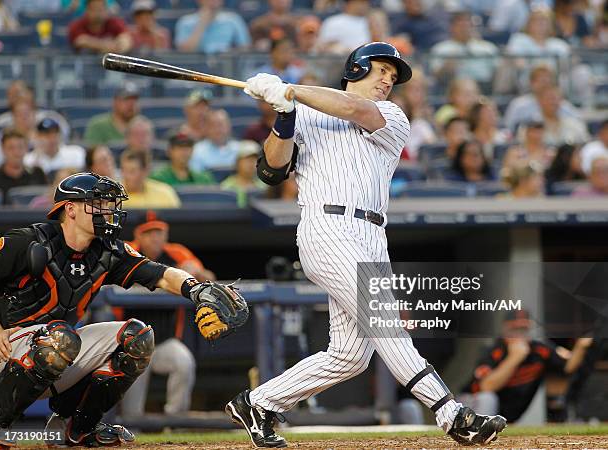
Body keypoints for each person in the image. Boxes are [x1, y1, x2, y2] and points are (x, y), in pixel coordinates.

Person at [227, 41, 507, 448]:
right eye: (380, 72)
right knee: (384, 322)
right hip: (328, 227)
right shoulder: (302, 110)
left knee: (350, 357)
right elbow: (271, 171)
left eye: (392, 79)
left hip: (373, 235)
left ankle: (258, 402)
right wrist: (284, 116)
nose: (386, 82)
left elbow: (353, 110)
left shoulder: (392, 116)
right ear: (356, 69)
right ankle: (451, 413)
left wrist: (290, 90)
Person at [0, 172, 247, 447]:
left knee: (136, 337)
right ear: (70, 209)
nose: (108, 211)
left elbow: (161, 274)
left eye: (109, 204)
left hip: (53, 349)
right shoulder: (28, 240)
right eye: (98, 204)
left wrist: (196, 289)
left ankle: (75, 428)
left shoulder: (107, 251)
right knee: (61, 338)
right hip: (5, 348)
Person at [120, 211, 215, 417]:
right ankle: (132, 425)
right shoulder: (127, 252)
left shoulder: (176, 253)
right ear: (139, 235)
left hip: (164, 341)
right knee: (131, 412)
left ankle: (175, 419)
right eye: (149, 232)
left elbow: (209, 277)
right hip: (130, 343)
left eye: (159, 232)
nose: (155, 237)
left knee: (184, 362)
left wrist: (196, 272)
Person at [459, 310, 592, 422]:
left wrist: (580, 347)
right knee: (487, 398)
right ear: (505, 328)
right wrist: (515, 358)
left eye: (523, 329)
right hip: (470, 406)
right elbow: (486, 387)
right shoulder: (494, 351)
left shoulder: (539, 349)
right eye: (515, 329)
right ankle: (476, 435)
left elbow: (567, 367)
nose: (519, 334)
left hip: (505, 413)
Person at [503, 64, 580, 133]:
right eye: (541, 80)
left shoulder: (563, 105)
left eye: (548, 79)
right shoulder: (519, 105)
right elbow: (509, 130)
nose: (545, 83)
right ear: (531, 83)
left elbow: (578, 124)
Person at [429, 11, 499, 86]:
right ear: (451, 27)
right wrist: (447, 67)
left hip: (485, 86)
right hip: (452, 87)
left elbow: (498, 72)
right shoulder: (440, 49)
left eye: (468, 24)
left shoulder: (487, 47)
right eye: (460, 25)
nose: (464, 28)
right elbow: (435, 75)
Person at [174, 0, 250, 54]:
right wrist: (202, 24)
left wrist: (230, 52)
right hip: (196, 68)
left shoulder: (233, 20)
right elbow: (184, 52)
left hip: (226, 66)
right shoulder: (186, 21)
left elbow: (245, 48)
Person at [0, 129, 47, 204]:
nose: (16, 152)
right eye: (11, 148)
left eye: (20, 147)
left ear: (26, 148)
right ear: (3, 150)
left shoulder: (37, 174)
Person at [84, 83, 141, 147]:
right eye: (126, 99)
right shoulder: (98, 125)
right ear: (115, 102)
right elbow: (91, 152)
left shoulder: (143, 126)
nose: (131, 104)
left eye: (135, 100)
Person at [150, 132, 215, 186]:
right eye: (180, 148)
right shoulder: (158, 179)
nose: (184, 152)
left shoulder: (203, 179)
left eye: (188, 148)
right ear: (169, 151)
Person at [68, 0, 132, 54]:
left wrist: (119, 47)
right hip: (84, 65)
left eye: (101, 8)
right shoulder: (77, 25)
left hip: (111, 66)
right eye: (94, 9)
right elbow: (80, 41)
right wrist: (107, 46)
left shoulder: (114, 22)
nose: (98, 13)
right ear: (87, 10)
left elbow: (126, 40)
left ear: (106, 9)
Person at [220, 140, 267, 207]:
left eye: (255, 159)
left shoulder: (265, 187)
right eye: (247, 159)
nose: (251, 163)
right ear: (237, 162)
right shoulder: (226, 187)